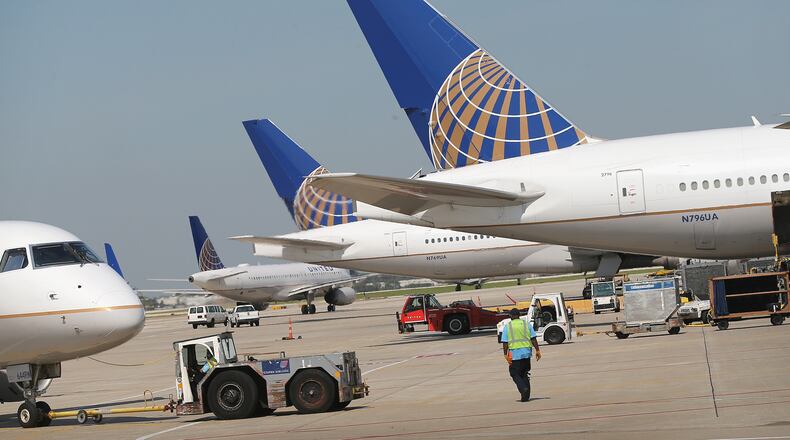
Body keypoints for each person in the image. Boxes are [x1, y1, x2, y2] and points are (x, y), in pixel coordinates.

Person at [501, 308, 541, 402]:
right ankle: (525, 397)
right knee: (524, 373)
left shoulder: (508, 326)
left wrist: (505, 354)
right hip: (527, 353)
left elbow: (505, 342)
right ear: (519, 315)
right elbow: (533, 338)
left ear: (511, 316)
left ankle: (523, 389)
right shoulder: (526, 324)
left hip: (515, 354)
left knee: (514, 373)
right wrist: (537, 350)